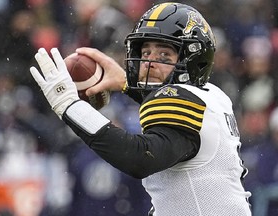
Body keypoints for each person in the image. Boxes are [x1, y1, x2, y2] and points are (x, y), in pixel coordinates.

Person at [29, 2, 252, 216]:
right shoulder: (214, 96)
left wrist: (70, 106)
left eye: (164, 55)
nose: (149, 63)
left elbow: (140, 157)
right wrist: (127, 84)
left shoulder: (184, 100)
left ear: (192, 58)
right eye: (145, 53)